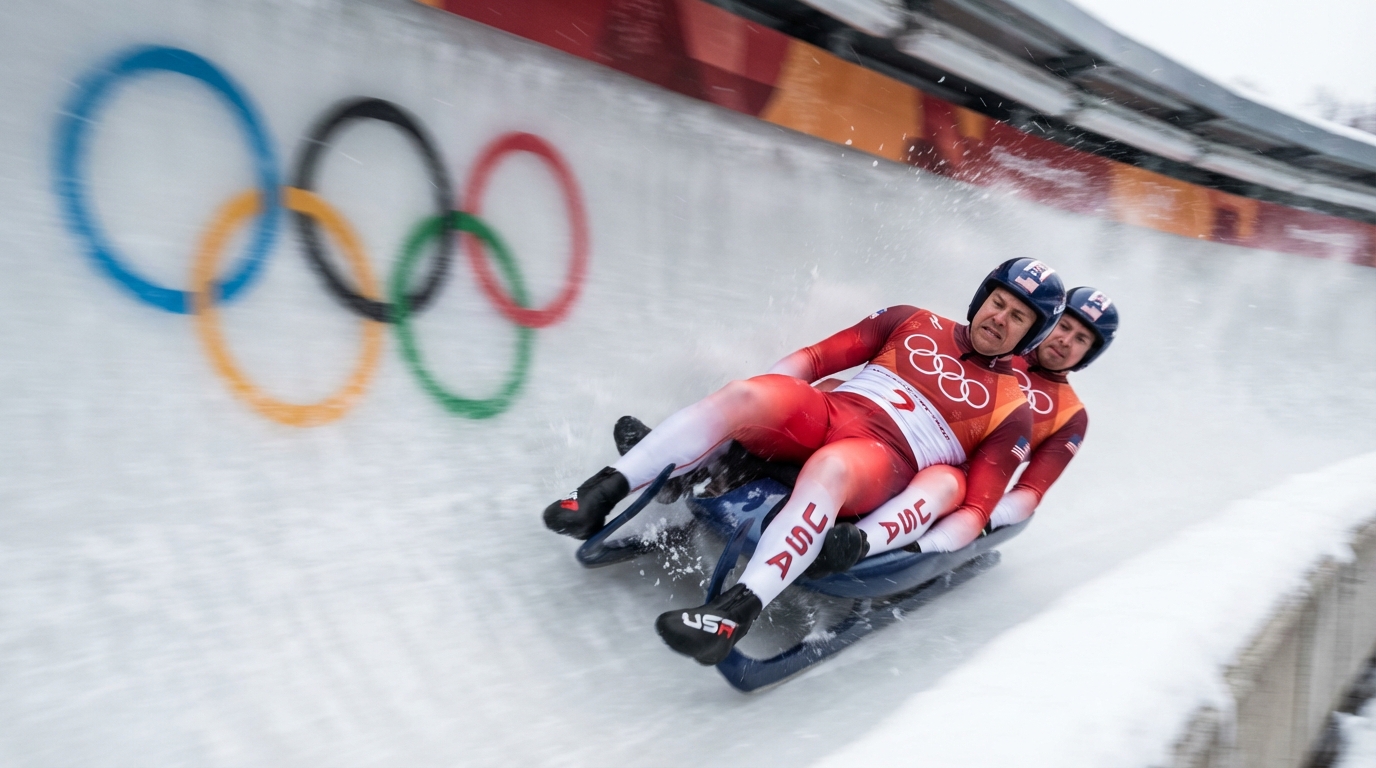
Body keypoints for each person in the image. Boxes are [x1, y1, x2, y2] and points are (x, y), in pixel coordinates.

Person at [542, 258, 1066, 664]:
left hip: (883, 459)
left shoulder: (1013, 412)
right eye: (998, 303)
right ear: (981, 299)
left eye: (1018, 317)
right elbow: (815, 361)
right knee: (749, 395)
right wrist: (747, 418)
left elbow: (974, 511)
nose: (1000, 318)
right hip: (833, 410)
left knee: (830, 470)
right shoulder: (914, 320)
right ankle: (600, 493)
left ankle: (731, 615)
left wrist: (906, 543)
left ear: (1030, 336)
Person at [809, 286, 1119, 570]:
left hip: (954, 479)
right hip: (902, 437)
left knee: (940, 481)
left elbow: (1030, 493)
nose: (1065, 341)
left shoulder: (1071, 416)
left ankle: (866, 545)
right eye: (1064, 326)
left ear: (1089, 354)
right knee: (834, 386)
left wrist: (981, 520)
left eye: (1081, 339)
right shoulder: (992, 345)